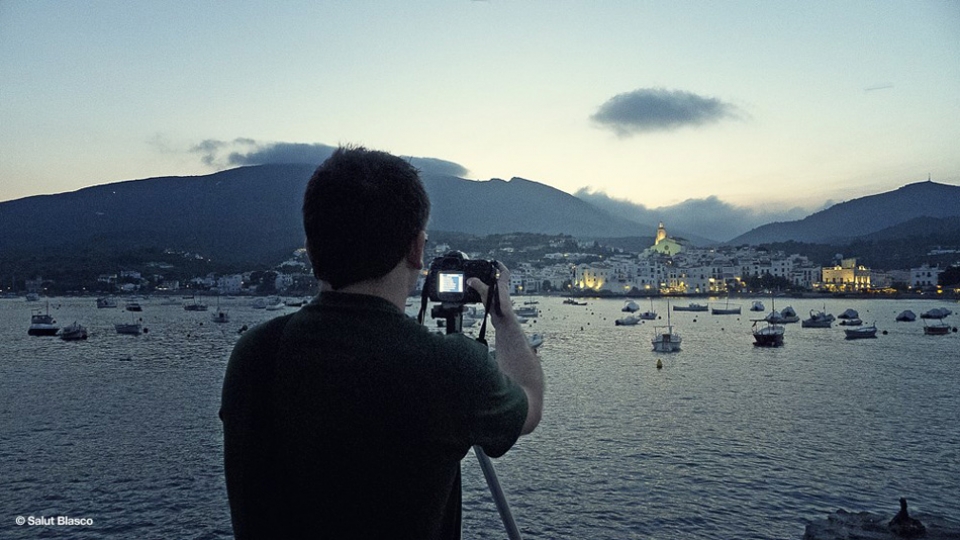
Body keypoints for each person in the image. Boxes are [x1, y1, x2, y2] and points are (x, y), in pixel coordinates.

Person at [220, 146, 544, 540]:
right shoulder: (447, 367)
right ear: (416, 249)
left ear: (311, 246)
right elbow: (530, 405)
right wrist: (504, 318)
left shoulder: (254, 354)